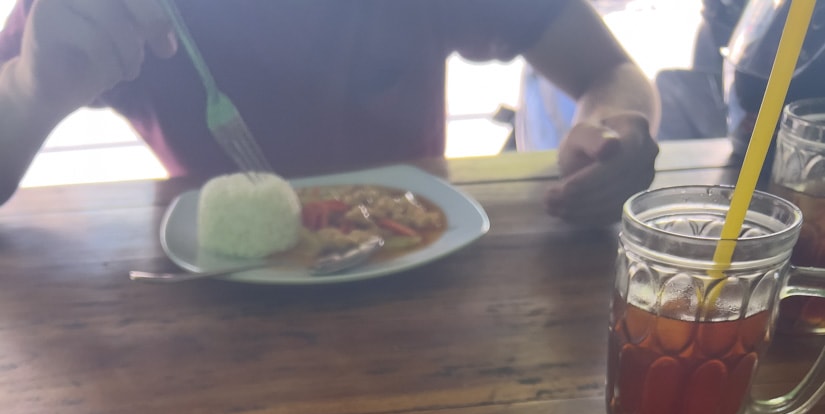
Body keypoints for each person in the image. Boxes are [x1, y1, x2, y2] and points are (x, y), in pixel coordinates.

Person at [0, 0, 659, 223]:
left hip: (422, 301)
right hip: (202, 330)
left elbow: (609, 72)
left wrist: (611, 131)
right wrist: (32, 91)